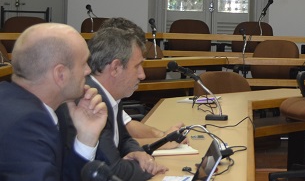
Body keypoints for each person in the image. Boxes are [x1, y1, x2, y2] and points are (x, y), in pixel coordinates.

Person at [0, 23, 107, 181]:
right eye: (84, 63)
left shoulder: (49, 109)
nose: (88, 70)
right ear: (60, 74)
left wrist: (86, 137)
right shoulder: (26, 125)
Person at [59, 27, 168, 180]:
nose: (142, 75)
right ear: (115, 68)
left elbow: (124, 139)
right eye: (137, 66)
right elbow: (112, 169)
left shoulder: (112, 95)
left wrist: (138, 153)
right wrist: (150, 168)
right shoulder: (90, 101)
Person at [100, 17, 187, 150]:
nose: (142, 75)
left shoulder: (110, 93)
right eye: (137, 65)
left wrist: (163, 135)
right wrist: (161, 142)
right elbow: (112, 146)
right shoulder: (89, 95)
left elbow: (127, 125)